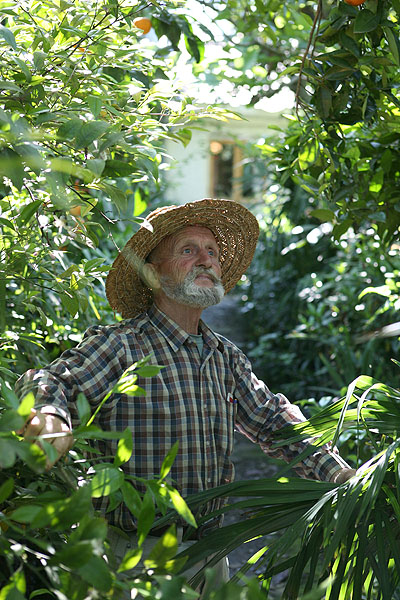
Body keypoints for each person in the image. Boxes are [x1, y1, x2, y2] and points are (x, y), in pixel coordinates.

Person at [15, 198, 355, 589]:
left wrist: (342, 475)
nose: (206, 260)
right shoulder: (122, 347)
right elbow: (54, 380)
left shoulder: (224, 357)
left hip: (209, 553)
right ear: (153, 274)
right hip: (130, 555)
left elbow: (274, 421)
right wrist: (49, 416)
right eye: (188, 250)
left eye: (211, 252)